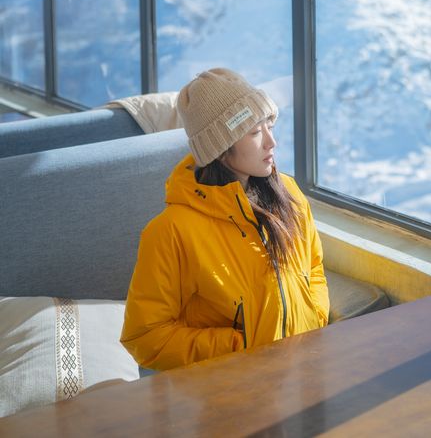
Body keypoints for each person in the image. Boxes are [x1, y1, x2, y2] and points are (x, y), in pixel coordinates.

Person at [120, 68, 330, 371]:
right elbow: (145, 336)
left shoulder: (290, 195)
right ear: (218, 149)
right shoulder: (171, 232)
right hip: (234, 395)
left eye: (269, 125)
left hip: (306, 373)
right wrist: (240, 347)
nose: (271, 142)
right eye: (255, 132)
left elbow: (313, 267)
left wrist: (315, 316)